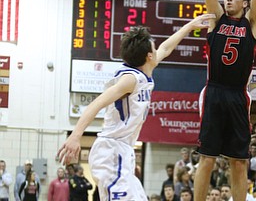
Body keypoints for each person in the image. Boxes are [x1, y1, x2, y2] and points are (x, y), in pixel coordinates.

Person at [57, 14, 215, 201]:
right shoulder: (130, 79)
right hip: (111, 151)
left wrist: (190, 26)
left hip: (123, 151)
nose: (157, 49)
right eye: (154, 48)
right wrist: (75, 136)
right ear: (149, 55)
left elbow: (167, 47)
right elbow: (96, 103)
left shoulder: (144, 71)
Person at [194, 0, 256, 200]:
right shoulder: (217, 19)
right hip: (214, 91)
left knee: (239, 162)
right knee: (206, 159)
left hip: (237, 95)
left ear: (245, 3)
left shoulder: (251, 23)